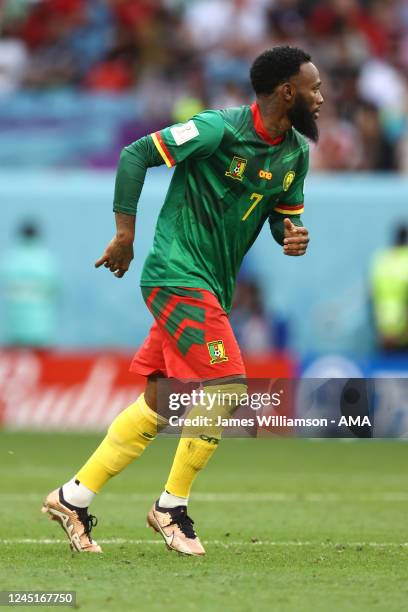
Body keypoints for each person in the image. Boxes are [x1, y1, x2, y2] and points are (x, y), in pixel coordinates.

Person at [41, 46, 323, 555]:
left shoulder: (295, 154)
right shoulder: (217, 129)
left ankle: (72, 497)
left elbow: (283, 215)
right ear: (287, 92)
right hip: (176, 273)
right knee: (229, 384)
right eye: (314, 88)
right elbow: (135, 154)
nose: (321, 98)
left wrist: (292, 234)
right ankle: (171, 507)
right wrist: (125, 235)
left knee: (160, 402)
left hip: (210, 285)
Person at [370, 224, 408, 351]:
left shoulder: (381, 259)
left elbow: (371, 296)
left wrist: (378, 331)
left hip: (383, 333)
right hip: (403, 334)